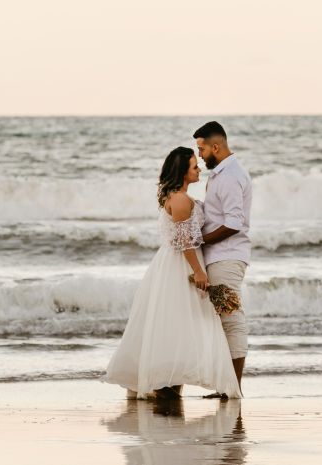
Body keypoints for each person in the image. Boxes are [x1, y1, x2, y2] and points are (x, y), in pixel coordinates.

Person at [102, 146, 241, 399]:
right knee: (175, 321)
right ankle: (165, 382)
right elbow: (184, 241)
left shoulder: (181, 197)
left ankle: (171, 381)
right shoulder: (179, 199)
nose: (198, 169)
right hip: (179, 265)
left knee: (176, 323)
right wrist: (199, 271)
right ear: (182, 172)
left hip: (178, 262)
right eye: (193, 167)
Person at [193, 121, 252, 396]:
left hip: (227, 257)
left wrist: (201, 240)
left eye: (202, 148)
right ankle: (226, 386)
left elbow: (233, 223)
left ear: (216, 146)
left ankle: (233, 388)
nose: (200, 155)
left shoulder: (229, 176)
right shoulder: (220, 174)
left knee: (231, 318)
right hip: (219, 257)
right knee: (223, 319)